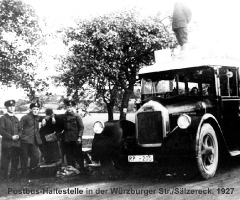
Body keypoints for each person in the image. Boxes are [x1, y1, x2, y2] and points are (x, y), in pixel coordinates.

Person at [60, 100, 86, 174]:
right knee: (69, 155)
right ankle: (71, 170)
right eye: (67, 107)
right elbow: (61, 126)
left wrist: (79, 137)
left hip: (76, 138)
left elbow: (81, 127)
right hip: (67, 139)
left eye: (70, 107)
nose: (69, 109)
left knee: (78, 154)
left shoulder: (77, 116)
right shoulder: (64, 117)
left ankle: (82, 169)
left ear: (73, 107)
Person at [0, 100, 22, 181]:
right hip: (7, 144)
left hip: (16, 144)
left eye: (13, 106)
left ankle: (13, 177)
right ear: (6, 107)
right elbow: (1, 131)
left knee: (15, 161)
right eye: (10, 106)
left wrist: (18, 136)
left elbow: (20, 130)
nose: (12, 108)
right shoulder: (3, 118)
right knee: (5, 162)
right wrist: (11, 137)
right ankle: (3, 178)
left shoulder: (16, 118)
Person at [20, 102, 42, 178]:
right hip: (25, 141)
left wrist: (47, 118)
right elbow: (19, 128)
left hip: (34, 141)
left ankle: (33, 174)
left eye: (37, 109)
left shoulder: (38, 117)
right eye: (34, 109)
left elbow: (45, 117)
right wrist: (21, 137)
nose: (36, 110)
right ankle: (24, 175)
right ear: (30, 109)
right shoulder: (25, 117)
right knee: (24, 158)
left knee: (36, 157)